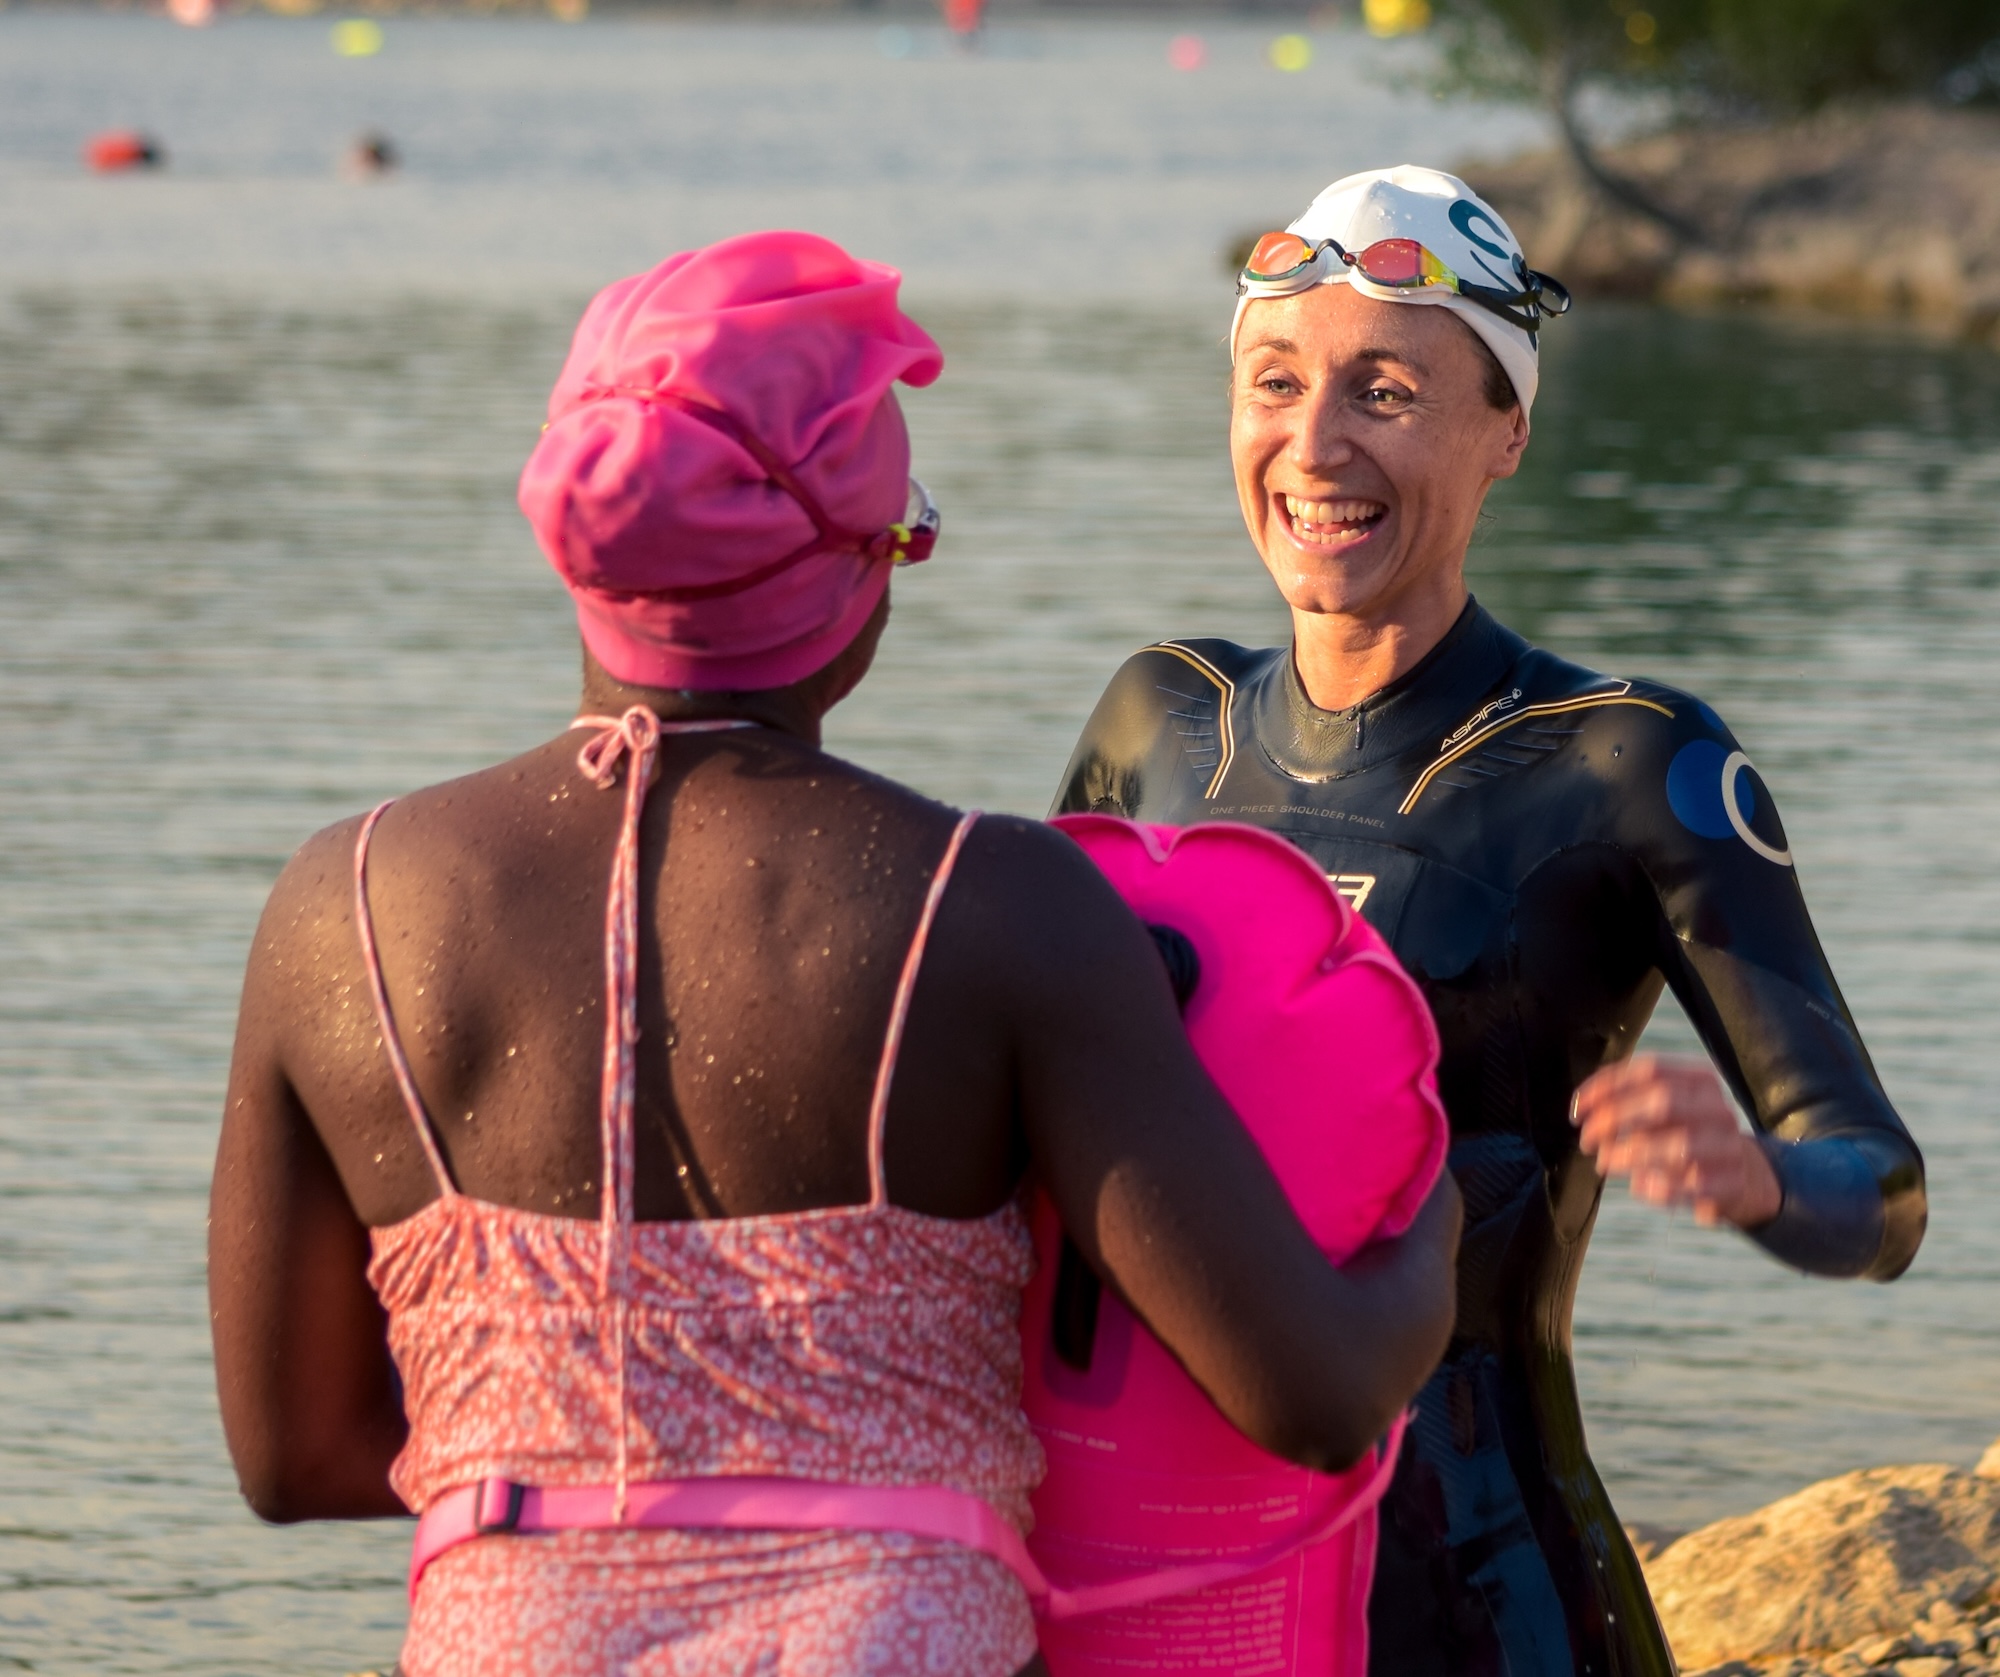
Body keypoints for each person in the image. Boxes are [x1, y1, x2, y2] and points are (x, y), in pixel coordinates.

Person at [207, 230, 1461, 1677]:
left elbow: (293, 1452)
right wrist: (1432, 1223)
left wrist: (588, 1464)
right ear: (854, 572)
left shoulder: (340, 905)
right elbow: (1307, 1391)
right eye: (905, 531)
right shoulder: (991, 904)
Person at [1053, 167, 1927, 1677]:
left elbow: (1883, 1191)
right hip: (1161, 1563)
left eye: (1385, 391)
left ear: (1507, 429)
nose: (1315, 443)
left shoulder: (1624, 762)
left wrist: (1764, 1177)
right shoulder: (1158, 720)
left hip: (1483, 1583)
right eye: (1276, 381)